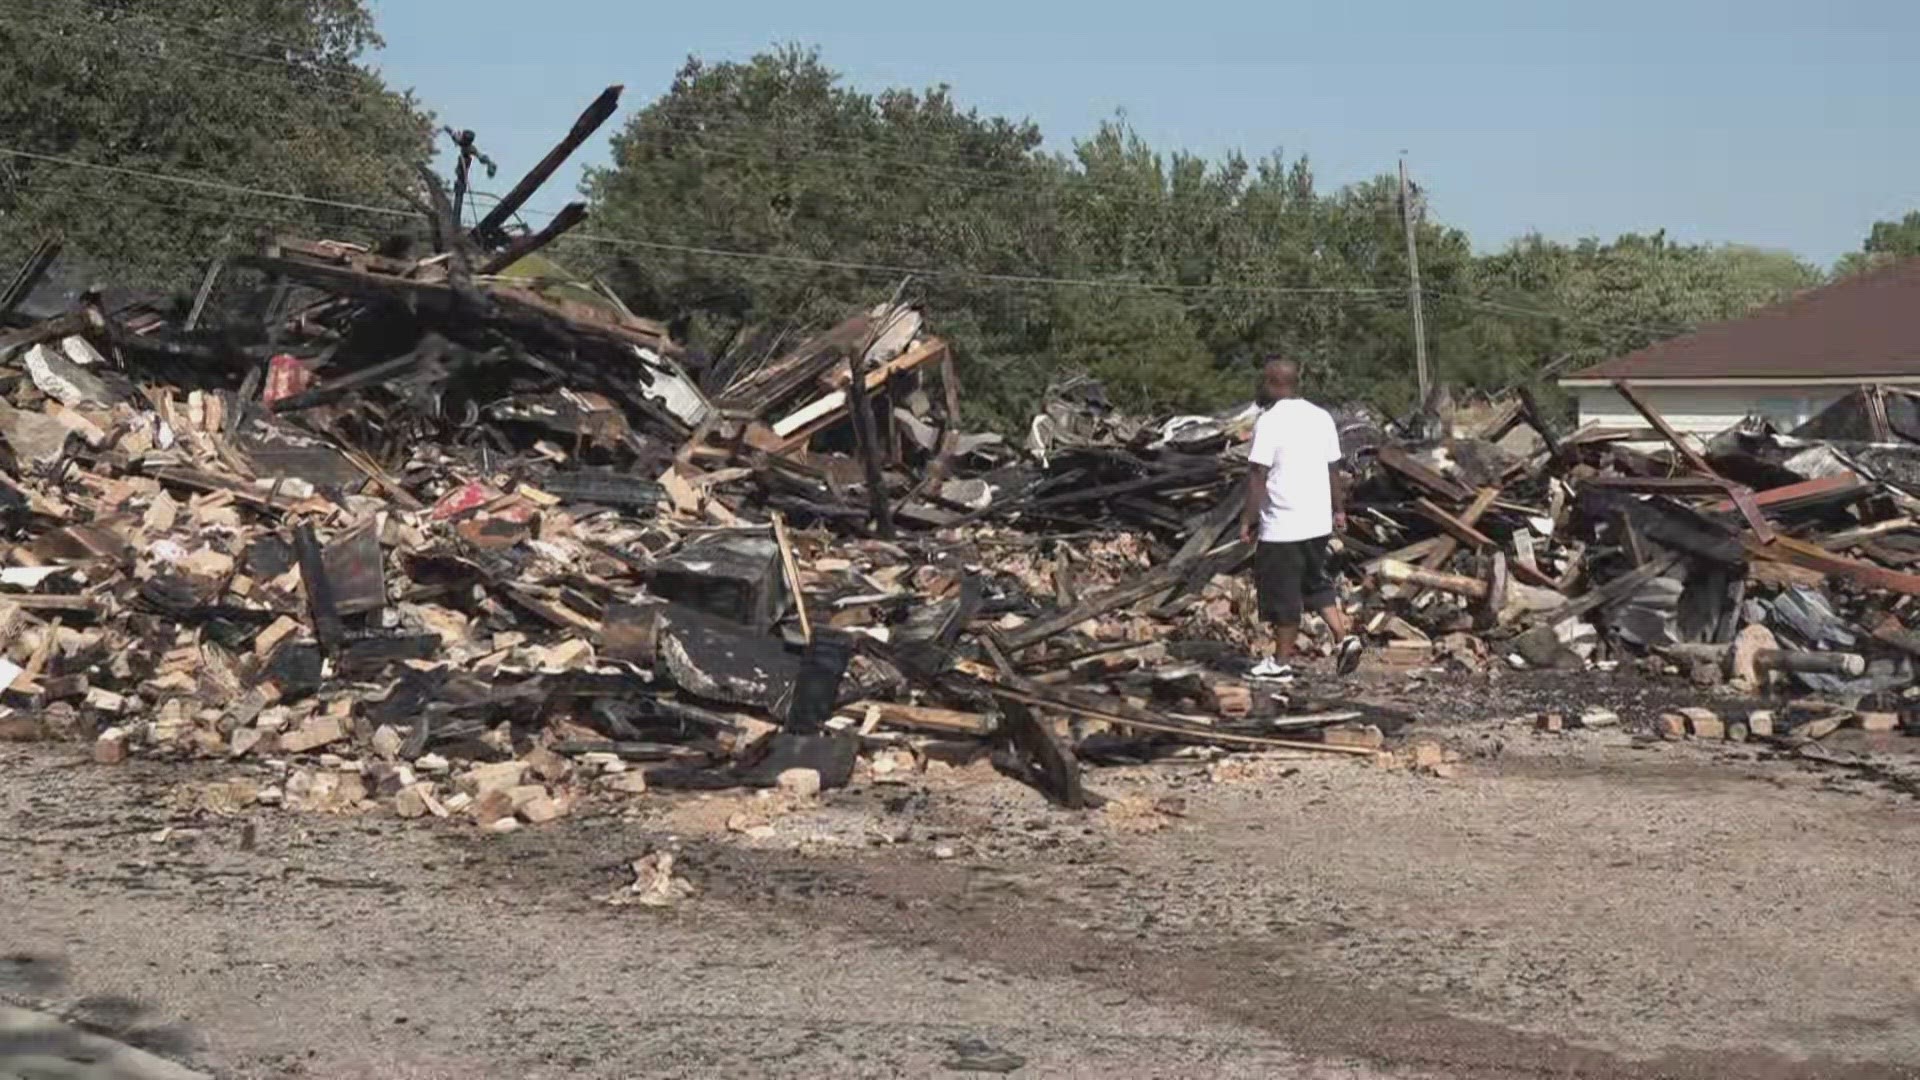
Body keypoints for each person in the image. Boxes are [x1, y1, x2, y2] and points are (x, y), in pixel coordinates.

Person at [1241, 358, 1362, 683]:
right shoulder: (1320, 417)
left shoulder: (1269, 421)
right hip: (1316, 521)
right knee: (1314, 582)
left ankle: (1280, 664)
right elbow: (1332, 469)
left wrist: (1248, 519)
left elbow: (1258, 475)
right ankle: (1344, 638)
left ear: (1271, 383)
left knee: (1284, 595)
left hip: (1284, 525)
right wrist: (1338, 510)